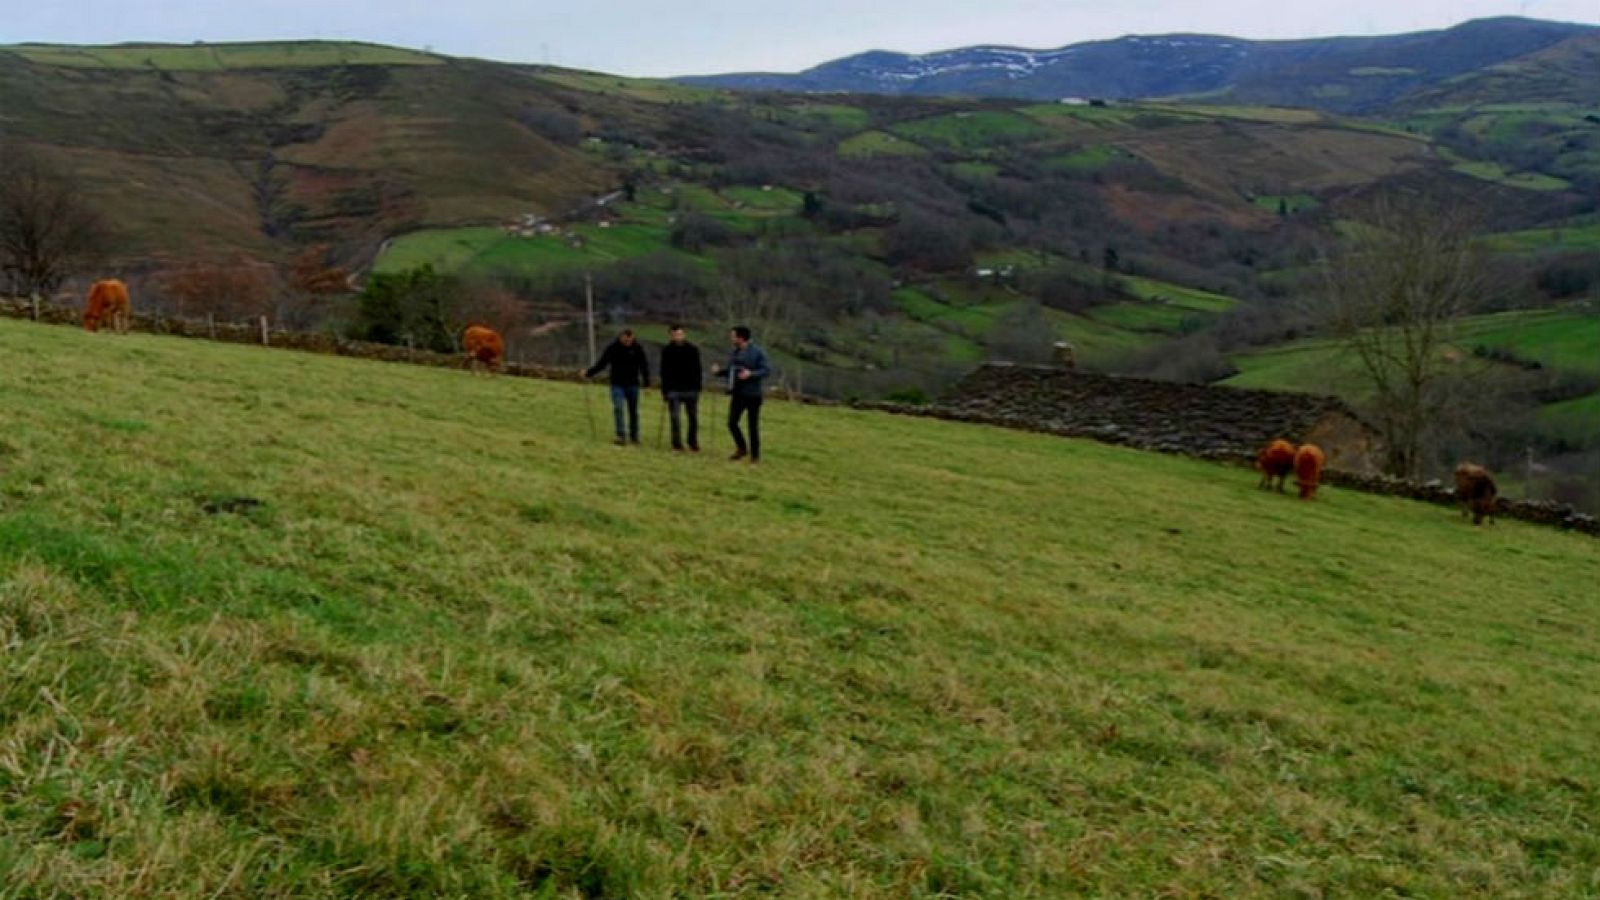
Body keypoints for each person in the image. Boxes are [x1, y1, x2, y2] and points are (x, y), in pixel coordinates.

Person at [711, 325, 770, 463]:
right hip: (737, 393)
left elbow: (766, 370)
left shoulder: (758, 352)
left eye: (733, 336)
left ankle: (755, 457)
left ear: (741, 338)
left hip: (753, 395)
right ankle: (742, 448)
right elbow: (732, 371)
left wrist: (751, 374)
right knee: (732, 423)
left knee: (752, 426)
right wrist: (719, 372)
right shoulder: (735, 352)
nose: (731, 338)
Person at [584, 329, 650, 445]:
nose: (628, 342)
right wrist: (588, 373)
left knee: (633, 411)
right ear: (621, 337)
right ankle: (621, 435)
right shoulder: (613, 348)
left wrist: (647, 385)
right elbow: (602, 363)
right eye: (626, 339)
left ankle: (634, 436)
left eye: (630, 340)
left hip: (633, 385)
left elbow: (644, 367)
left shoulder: (637, 348)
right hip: (617, 384)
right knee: (618, 408)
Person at [658, 324, 703, 452]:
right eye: (675, 335)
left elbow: (697, 370)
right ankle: (677, 444)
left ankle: (692, 442)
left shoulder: (692, 349)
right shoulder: (667, 351)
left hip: (690, 389)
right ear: (671, 336)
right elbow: (664, 371)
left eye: (679, 334)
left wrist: (698, 387)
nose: (677, 337)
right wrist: (665, 391)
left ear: (684, 335)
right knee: (675, 417)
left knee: (693, 418)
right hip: (673, 389)